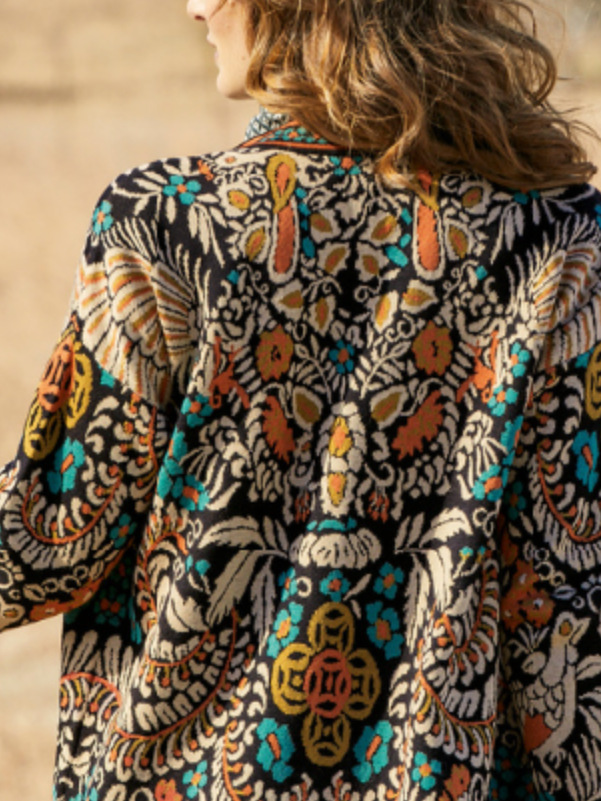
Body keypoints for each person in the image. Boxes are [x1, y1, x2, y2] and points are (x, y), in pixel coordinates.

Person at [1, 0, 601, 798]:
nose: (193, 7)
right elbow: (564, 594)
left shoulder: (161, 224)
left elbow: (48, 541)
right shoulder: (560, 241)